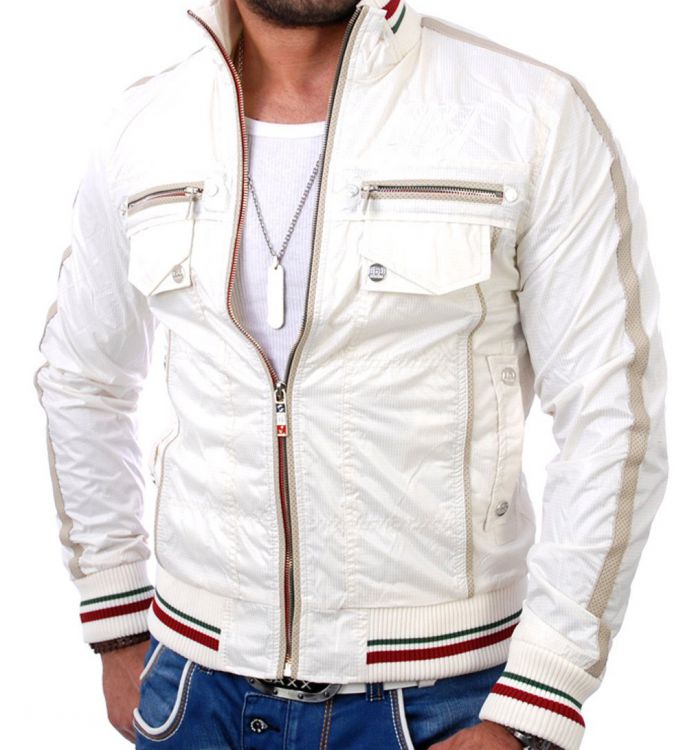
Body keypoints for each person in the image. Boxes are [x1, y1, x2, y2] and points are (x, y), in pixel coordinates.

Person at [33, 0, 668, 748]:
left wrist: (538, 699)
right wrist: (115, 618)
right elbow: (82, 376)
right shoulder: (143, 126)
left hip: (443, 701)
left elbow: (612, 413)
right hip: (193, 688)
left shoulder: (529, 113)